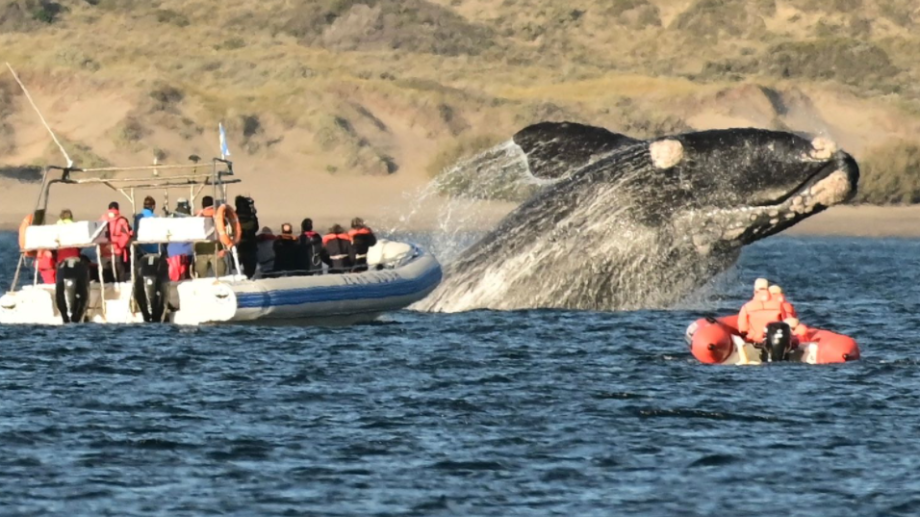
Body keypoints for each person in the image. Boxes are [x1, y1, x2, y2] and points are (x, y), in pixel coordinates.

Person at [737, 278, 788, 344]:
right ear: (768, 288)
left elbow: (743, 329)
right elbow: (786, 323)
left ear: (755, 290)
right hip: (774, 341)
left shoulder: (746, 306)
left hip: (754, 340)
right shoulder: (779, 305)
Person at [193, 196, 227, 278]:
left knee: (201, 277)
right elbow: (225, 231)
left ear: (202, 205)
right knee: (221, 276)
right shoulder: (219, 216)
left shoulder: (197, 216)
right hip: (216, 248)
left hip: (201, 249)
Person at [100, 201, 133, 282]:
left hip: (104, 251)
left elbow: (97, 234)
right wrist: (119, 246)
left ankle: (107, 291)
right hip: (117, 250)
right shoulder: (122, 220)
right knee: (120, 273)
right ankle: (120, 289)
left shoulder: (102, 219)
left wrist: (103, 246)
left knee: (106, 274)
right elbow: (125, 236)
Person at [166, 200, 193, 281]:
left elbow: (167, 235)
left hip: (172, 253)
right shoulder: (190, 219)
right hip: (187, 253)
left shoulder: (170, 218)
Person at [235, 195, 260, 278]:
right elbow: (256, 228)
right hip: (250, 244)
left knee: (237, 265)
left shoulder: (234, 215)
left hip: (239, 244)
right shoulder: (251, 216)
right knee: (250, 267)